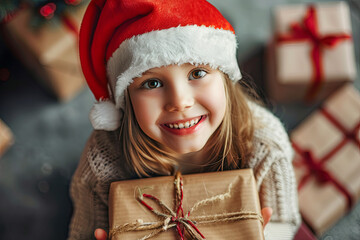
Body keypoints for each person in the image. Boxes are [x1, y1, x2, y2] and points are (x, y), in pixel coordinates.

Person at [68, 0, 301, 239]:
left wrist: (268, 234)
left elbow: (284, 221)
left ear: (224, 78)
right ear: (126, 100)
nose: (180, 102)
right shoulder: (102, 163)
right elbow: (83, 231)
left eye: (197, 73)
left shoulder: (264, 145)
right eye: (152, 83)